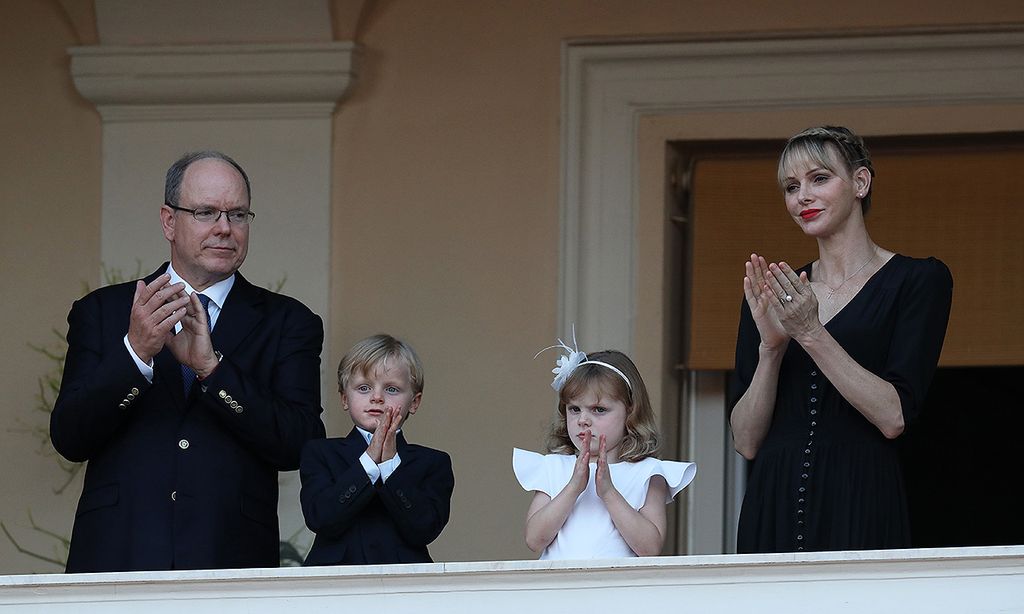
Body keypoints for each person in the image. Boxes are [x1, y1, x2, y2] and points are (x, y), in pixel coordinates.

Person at [50, 151, 326, 572]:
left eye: (237, 214)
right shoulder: (103, 312)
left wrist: (213, 371)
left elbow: (299, 444)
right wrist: (136, 353)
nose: (224, 229)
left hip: (231, 560)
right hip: (117, 556)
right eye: (205, 212)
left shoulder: (289, 322)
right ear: (168, 221)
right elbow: (70, 438)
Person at [729, 126, 953, 553]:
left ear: (860, 183)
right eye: (791, 187)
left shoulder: (918, 280)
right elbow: (746, 441)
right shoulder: (775, 293)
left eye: (819, 178)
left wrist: (810, 332)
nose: (803, 197)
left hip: (860, 494)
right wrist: (772, 349)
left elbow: (893, 416)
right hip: (772, 500)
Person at [513, 337, 696, 559]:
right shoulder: (554, 467)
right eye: (574, 409)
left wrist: (608, 492)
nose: (583, 420)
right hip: (559, 590)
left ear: (631, 412)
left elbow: (650, 548)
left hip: (617, 591)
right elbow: (534, 539)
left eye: (598, 409)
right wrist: (573, 488)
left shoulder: (648, 473)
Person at [300, 334, 454, 565]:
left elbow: (424, 529)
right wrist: (369, 462)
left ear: (414, 402)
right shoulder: (320, 453)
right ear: (344, 398)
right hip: (333, 586)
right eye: (363, 388)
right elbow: (322, 519)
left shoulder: (433, 462)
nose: (377, 397)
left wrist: (390, 466)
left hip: (404, 589)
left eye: (392, 389)